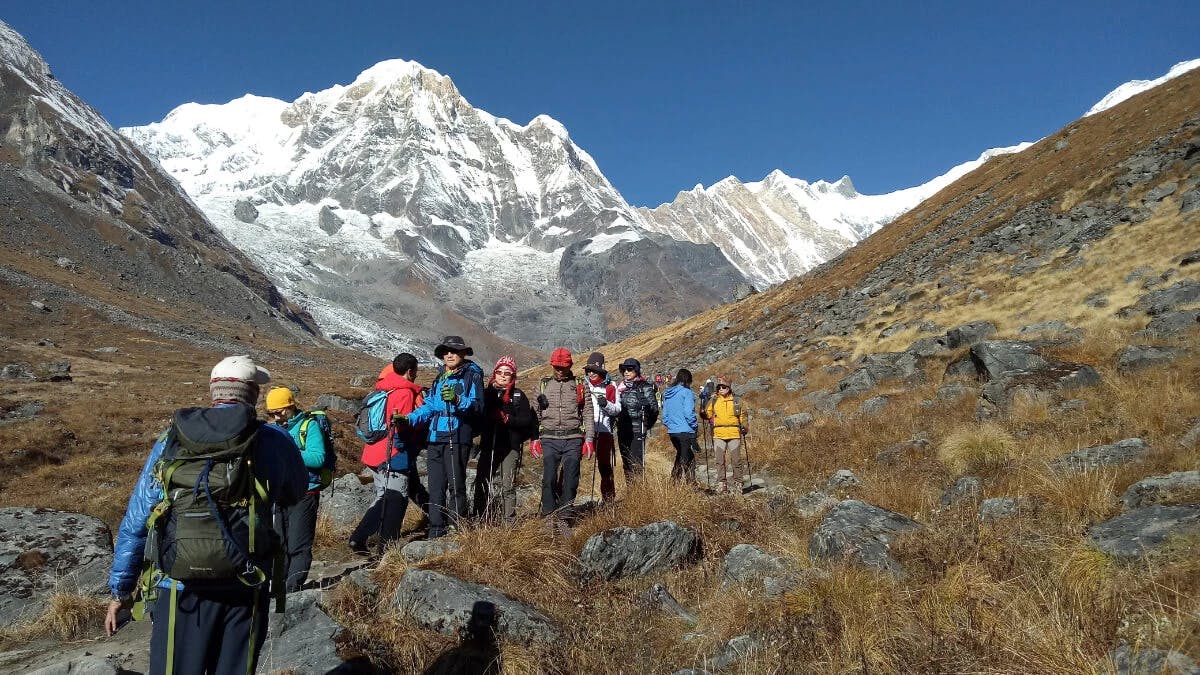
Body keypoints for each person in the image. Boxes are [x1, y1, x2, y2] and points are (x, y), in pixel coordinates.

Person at [104, 356, 306, 674]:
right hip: (245, 585)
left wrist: (120, 590)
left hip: (179, 586)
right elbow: (295, 492)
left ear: (214, 392)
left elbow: (138, 519)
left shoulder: (171, 439)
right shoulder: (274, 440)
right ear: (252, 394)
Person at [399, 336, 484, 539]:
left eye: (454, 351)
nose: (449, 355)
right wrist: (408, 419)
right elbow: (430, 406)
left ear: (463, 353)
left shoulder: (472, 376)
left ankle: (457, 526)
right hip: (435, 437)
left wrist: (457, 399)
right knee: (436, 486)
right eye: (446, 352)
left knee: (456, 483)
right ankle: (436, 528)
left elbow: (478, 407)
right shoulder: (439, 378)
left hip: (458, 435)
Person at [350, 353, 428, 553]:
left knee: (383, 496)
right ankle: (387, 549)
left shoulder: (383, 388)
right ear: (410, 371)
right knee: (396, 498)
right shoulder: (405, 392)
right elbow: (401, 426)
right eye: (416, 371)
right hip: (392, 454)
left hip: (373, 453)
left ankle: (359, 537)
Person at [265, 386, 332, 591]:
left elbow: (318, 457)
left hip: (305, 492)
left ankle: (292, 588)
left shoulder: (308, 426)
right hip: (280, 493)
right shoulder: (275, 430)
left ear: (290, 407)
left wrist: (289, 454)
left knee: (298, 544)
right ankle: (278, 586)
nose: (275, 417)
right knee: (280, 544)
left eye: (278, 412)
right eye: (271, 413)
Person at [533, 348, 595, 520]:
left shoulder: (580, 385)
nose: (560, 370)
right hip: (549, 438)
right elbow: (535, 413)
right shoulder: (543, 384)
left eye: (564, 367)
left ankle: (565, 515)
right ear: (552, 365)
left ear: (570, 365)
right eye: (557, 367)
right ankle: (548, 514)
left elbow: (588, 412)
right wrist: (533, 439)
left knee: (571, 477)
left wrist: (589, 439)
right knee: (549, 477)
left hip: (573, 438)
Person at [473, 356, 536, 522]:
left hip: (510, 447)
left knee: (508, 485)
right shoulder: (486, 394)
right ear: (494, 373)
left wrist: (508, 419)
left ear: (512, 376)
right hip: (488, 446)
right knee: (482, 482)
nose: (502, 375)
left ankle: (509, 520)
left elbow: (526, 420)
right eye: (499, 372)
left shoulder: (518, 396)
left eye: (507, 373)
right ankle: (479, 517)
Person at [582, 352, 621, 502]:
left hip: (604, 430)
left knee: (605, 467)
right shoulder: (582, 385)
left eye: (594, 370)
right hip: (584, 431)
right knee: (572, 465)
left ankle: (608, 500)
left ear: (601, 370)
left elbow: (617, 409)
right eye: (589, 370)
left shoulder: (611, 386)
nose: (591, 373)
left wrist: (606, 404)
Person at [614, 357, 659, 481]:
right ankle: (631, 493)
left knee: (636, 462)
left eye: (629, 369)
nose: (626, 372)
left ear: (636, 371)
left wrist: (645, 425)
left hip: (638, 430)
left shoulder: (644, 386)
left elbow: (654, 409)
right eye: (624, 369)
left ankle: (639, 494)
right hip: (623, 429)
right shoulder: (619, 388)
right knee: (626, 462)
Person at [701, 376, 745, 494]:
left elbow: (742, 415)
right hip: (719, 434)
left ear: (729, 388)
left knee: (736, 461)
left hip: (734, 433)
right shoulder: (714, 400)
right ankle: (722, 484)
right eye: (719, 387)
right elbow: (708, 413)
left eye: (723, 387)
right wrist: (704, 412)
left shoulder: (736, 400)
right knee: (719, 461)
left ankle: (738, 484)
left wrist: (744, 426)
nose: (721, 388)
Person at [661, 368, 701, 483]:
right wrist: (694, 426)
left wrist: (672, 425)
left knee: (681, 456)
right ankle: (689, 484)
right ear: (688, 380)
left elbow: (665, 417)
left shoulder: (668, 393)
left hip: (672, 432)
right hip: (685, 431)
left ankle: (674, 482)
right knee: (688, 458)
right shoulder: (686, 392)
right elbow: (689, 413)